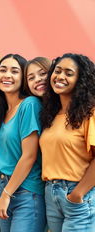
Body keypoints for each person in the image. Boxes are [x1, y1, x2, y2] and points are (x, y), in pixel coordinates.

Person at [40, 53, 95, 232]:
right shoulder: (51, 114)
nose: (60, 77)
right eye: (57, 71)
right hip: (51, 193)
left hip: (78, 193)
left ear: (80, 80)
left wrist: (78, 193)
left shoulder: (90, 113)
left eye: (69, 73)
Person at [0, 54, 46, 232]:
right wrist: (4, 193)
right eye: (3, 70)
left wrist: (7, 194)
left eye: (14, 71)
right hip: (3, 187)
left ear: (22, 78)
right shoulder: (2, 111)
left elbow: (29, 156)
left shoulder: (29, 105)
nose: (7, 75)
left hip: (26, 192)